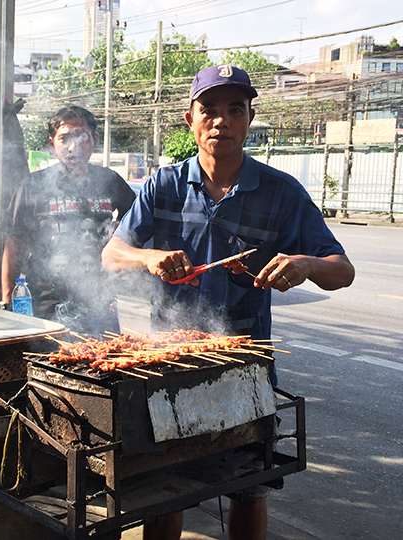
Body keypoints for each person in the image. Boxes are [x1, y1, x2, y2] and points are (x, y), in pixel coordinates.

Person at [101, 65, 355, 540]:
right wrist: (149, 256)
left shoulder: (281, 192)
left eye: (234, 110)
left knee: (248, 487)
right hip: (167, 365)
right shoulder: (164, 186)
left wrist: (305, 264)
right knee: (164, 489)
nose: (221, 121)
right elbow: (112, 254)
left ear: (249, 118)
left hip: (245, 366)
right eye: (209, 110)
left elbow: (343, 270)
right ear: (189, 120)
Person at [1, 105, 136, 334]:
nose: (73, 147)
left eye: (81, 137)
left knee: (101, 362)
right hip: (45, 305)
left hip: (99, 301)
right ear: (53, 143)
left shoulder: (110, 181)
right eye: (64, 138)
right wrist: (7, 302)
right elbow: (14, 245)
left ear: (94, 140)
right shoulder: (33, 186)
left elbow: (137, 224)